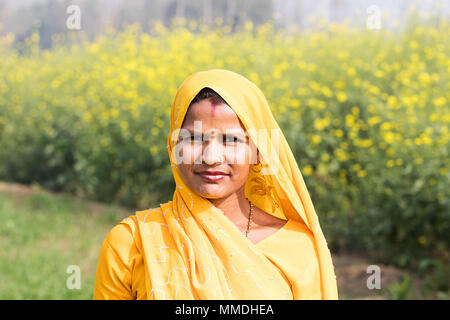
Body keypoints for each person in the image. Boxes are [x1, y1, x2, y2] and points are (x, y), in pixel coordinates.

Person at [93, 69, 338, 300]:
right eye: (194, 138)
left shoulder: (298, 247)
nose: (210, 157)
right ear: (174, 146)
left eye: (231, 140)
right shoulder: (132, 242)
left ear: (257, 151)